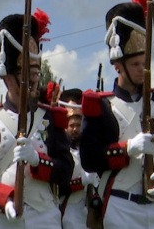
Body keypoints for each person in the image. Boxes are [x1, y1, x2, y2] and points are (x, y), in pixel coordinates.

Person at [80, 0, 154, 228]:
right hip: (121, 207)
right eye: (136, 64)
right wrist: (127, 149)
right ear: (118, 65)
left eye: (144, 63)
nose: (143, 70)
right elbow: (89, 158)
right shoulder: (100, 105)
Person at [0, 10, 73, 228]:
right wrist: (3, 200)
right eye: (25, 74)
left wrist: (38, 161)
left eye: (35, 72)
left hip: (45, 219)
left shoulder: (50, 118)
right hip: (0, 217)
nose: (33, 80)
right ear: (6, 77)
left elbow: (65, 169)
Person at [57, 88, 99, 229]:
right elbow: (56, 188)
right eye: (71, 123)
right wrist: (81, 182)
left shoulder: (95, 148)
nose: (75, 129)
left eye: (79, 122)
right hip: (67, 215)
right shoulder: (57, 150)